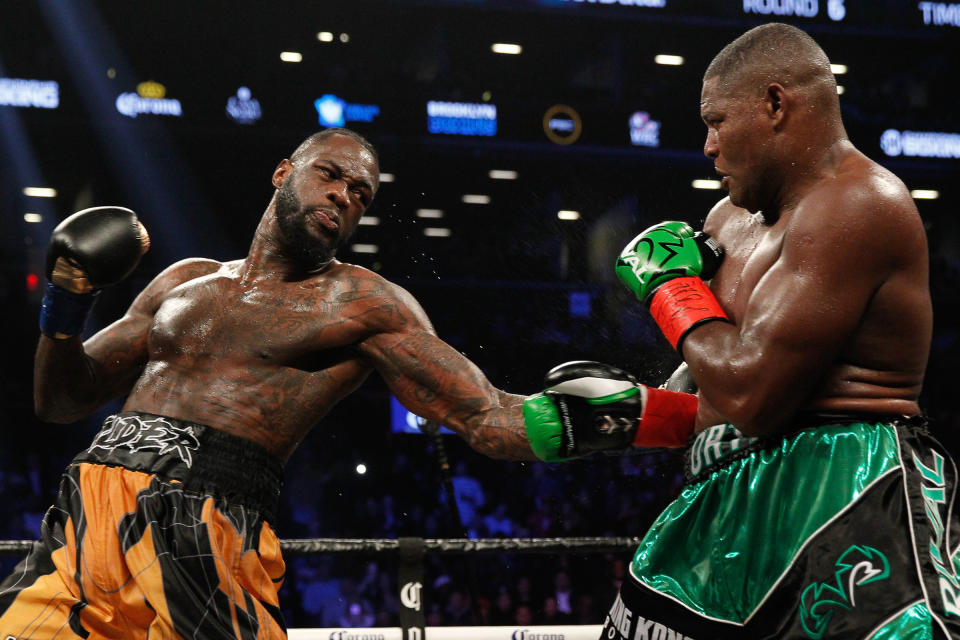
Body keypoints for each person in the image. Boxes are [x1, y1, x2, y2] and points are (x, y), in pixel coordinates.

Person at [1, 127, 542, 640]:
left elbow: (486, 416)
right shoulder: (185, 280)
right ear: (284, 172)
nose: (342, 196)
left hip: (203, 523)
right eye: (329, 174)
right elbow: (60, 400)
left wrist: (610, 419)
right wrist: (69, 299)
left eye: (360, 193)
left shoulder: (365, 303)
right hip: (83, 516)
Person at [544, 22, 954, 640]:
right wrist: (641, 413)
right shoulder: (726, 219)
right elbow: (714, 378)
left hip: (845, 488)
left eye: (716, 121)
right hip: (729, 493)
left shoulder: (860, 203)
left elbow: (751, 396)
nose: (707, 146)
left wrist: (667, 290)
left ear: (774, 104)